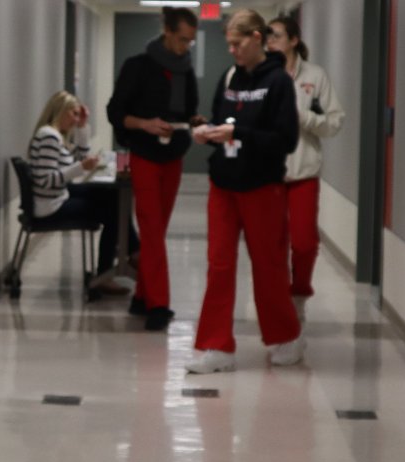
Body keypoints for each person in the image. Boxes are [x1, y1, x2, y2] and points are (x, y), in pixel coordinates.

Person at [185, 10, 304, 374]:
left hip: (262, 187)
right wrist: (207, 131)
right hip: (224, 183)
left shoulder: (279, 83)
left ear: (257, 38)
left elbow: (285, 139)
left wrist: (239, 135)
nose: (232, 50)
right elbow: (224, 122)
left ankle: (285, 336)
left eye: (238, 43)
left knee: (267, 266)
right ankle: (217, 346)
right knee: (219, 265)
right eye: (229, 44)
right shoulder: (230, 76)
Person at [107, 7, 206, 331]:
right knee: (150, 228)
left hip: (173, 155)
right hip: (145, 155)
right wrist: (145, 125)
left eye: (190, 42)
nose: (185, 47)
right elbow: (116, 111)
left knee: (157, 230)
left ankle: (142, 297)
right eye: (181, 39)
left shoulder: (186, 70)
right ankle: (159, 306)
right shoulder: (138, 66)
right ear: (166, 30)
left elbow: (188, 108)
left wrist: (194, 121)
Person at [27, 91, 138, 294]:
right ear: (60, 110)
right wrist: (81, 167)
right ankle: (112, 268)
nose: (75, 119)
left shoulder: (54, 135)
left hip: (58, 196)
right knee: (112, 211)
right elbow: (46, 180)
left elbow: (76, 157)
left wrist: (83, 128)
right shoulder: (49, 137)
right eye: (74, 114)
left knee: (111, 197)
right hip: (51, 205)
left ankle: (131, 253)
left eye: (78, 115)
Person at [268, 16, 344, 297]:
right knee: (272, 240)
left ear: (293, 40)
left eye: (276, 35)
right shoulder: (261, 74)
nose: (270, 41)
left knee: (303, 242)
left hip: (303, 172)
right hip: (268, 174)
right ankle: (275, 288)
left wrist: (305, 119)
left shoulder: (315, 76)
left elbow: (335, 121)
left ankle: (300, 287)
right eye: (267, 36)